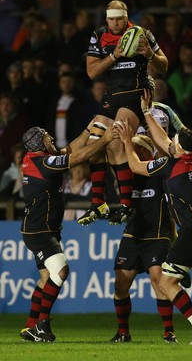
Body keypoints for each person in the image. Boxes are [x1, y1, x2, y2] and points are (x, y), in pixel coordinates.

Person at [116, 113, 192, 345]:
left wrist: (126, 141)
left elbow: (135, 165)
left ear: (178, 148)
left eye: (173, 141)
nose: (169, 141)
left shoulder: (169, 165)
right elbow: (165, 140)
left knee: (165, 281)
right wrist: (146, 113)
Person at [19, 123, 116, 343]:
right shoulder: (43, 163)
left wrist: (87, 131)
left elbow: (68, 151)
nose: (51, 137)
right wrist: (105, 139)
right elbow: (75, 158)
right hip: (40, 231)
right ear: (37, 142)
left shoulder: (36, 159)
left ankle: (29, 327)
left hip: (39, 229)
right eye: (46, 136)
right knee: (61, 271)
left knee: (46, 279)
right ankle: (42, 326)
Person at [79, 0, 168, 225]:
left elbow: (164, 66)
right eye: (112, 19)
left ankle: (126, 204)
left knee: (117, 140)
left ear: (127, 17)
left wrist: (150, 55)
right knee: (94, 142)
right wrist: (114, 56)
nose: (116, 23)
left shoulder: (141, 34)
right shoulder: (99, 35)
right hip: (113, 94)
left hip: (137, 93)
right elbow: (91, 72)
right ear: (106, 19)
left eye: (120, 18)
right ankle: (98, 203)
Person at [111, 134, 182, 344]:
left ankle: (169, 332)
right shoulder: (127, 174)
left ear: (144, 151)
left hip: (158, 235)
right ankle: (123, 332)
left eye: (134, 148)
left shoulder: (158, 171)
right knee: (120, 284)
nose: (129, 152)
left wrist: (174, 236)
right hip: (132, 234)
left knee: (158, 280)